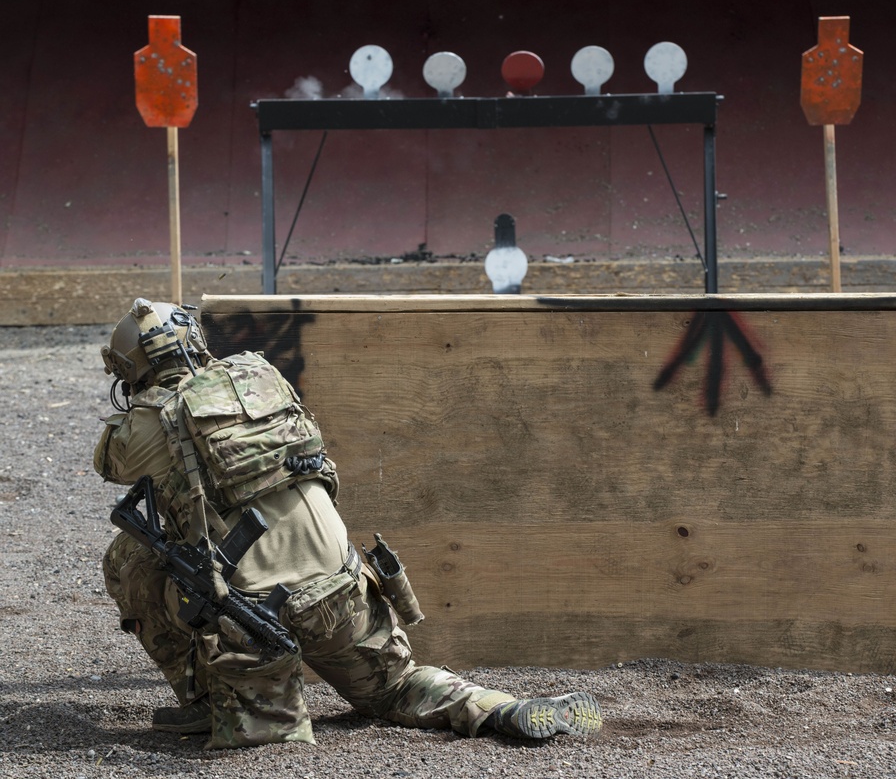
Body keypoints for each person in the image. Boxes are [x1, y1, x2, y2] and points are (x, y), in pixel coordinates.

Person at [95, 298, 603, 749]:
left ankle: (209, 698)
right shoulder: (260, 379)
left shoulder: (149, 420)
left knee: (128, 557)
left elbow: (108, 463)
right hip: (342, 591)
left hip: (257, 619)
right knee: (396, 687)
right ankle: (499, 709)